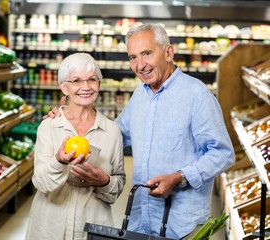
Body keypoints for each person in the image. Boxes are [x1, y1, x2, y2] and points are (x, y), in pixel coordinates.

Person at [45, 23, 235, 239]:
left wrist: (179, 177)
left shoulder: (197, 96)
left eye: (147, 53)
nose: (140, 65)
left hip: (181, 224)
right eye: (133, 57)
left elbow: (223, 153)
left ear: (168, 53)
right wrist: (70, 117)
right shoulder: (140, 95)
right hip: (140, 219)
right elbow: (114, 135)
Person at [25, 52, 126, 240]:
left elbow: (117, 187)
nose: (85, 87)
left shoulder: (112, 131)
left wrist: (103, 181)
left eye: (92, 80)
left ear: (99, 85)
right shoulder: (50, 126)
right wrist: (58, 161)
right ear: (64, 87)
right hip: (50, 228)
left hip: (92, 228)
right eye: (77, 81)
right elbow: (40, 182)